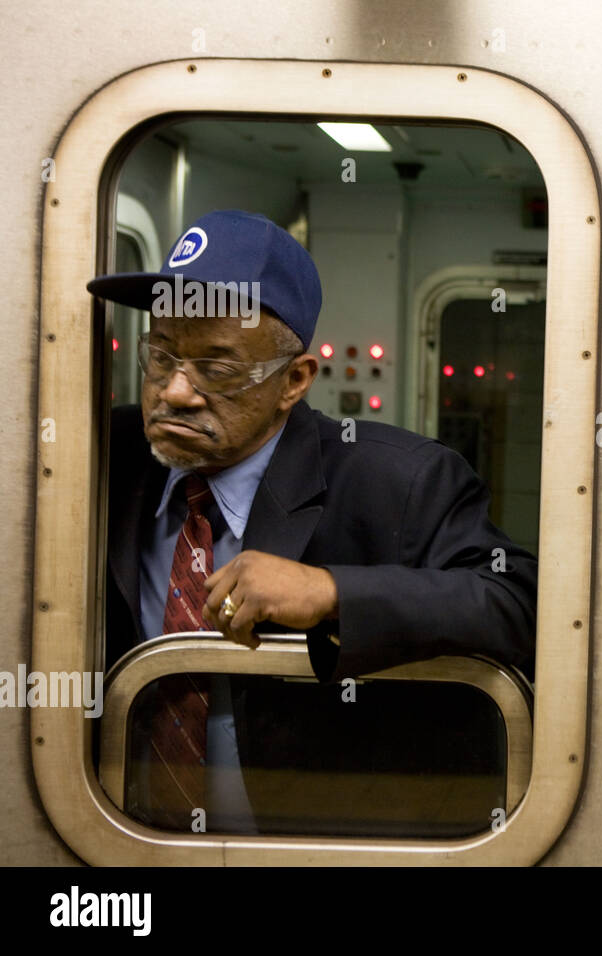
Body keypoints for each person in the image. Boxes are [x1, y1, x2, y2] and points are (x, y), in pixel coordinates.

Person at [88, 208, 538, 832]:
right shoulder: (99, 457)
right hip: (117, 839)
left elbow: (519, 604)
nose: (175, 392)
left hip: (310, 837)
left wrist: (332, 593)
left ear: (294, 381)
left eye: (217, 369)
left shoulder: (401, 480)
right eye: (161, 356)